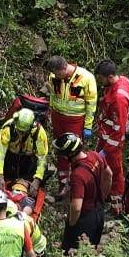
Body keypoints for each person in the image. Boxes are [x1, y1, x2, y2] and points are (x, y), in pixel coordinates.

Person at [47, 55, 97, 194]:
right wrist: (51, 111)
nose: (56, 76)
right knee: (60, 150)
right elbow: (52, 94)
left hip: (75, 119)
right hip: (58, 117)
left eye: (58, 74)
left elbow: (91, 104)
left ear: (64, 67)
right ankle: (63, 182)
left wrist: (88, 125)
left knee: (74, 151)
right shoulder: (53, 76)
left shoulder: (86, 78)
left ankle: (78, 181)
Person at [56, 132, 111, 252]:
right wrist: (103, 196)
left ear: (68, 155)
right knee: (90, 252)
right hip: (99, 213)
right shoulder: (95, 155)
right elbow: (109, 174)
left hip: (85, 219)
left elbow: (76, 207)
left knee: (73, 255)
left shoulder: (78, 176)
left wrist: (71, 225)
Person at [94, 60, 129, 207]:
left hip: (113, 139)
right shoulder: (124, 81)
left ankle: (116, 200)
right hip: (106, 134)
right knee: (103, 166)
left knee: (114, 169)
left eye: (101, 78)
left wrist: (107, 150)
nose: (100, 81)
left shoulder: (119, 98)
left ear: (110, 77)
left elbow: (119, 128)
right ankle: (103, 191)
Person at [0, 108, 50, 194]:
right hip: (11, 158)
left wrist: (37, 179)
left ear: (31, 127)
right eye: (19, 131)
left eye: (24, 132)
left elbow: (42, 157)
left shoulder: (39, 133)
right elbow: (0, 154)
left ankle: (28, 184)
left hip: (27, 160)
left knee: (44, 169)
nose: (21, 134)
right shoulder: (8, 128)